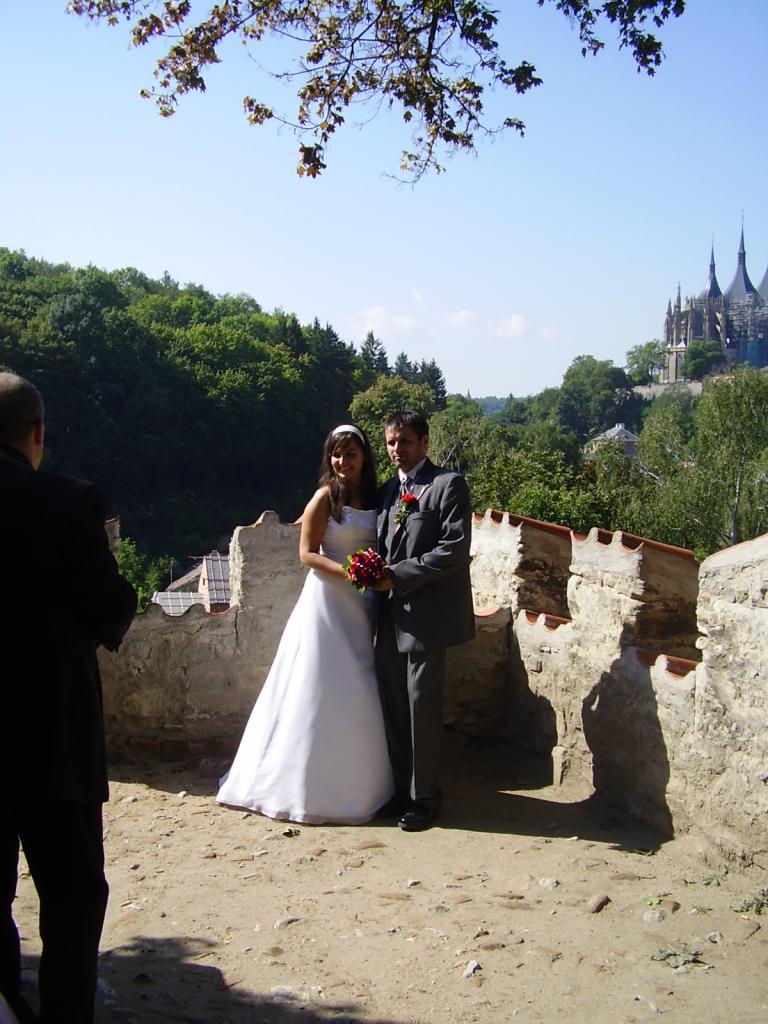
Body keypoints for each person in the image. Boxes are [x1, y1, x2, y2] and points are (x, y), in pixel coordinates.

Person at [0, 372, 137, 1024]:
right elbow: (109, 610)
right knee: (73, 897)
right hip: (51, 733)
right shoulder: (69, 501)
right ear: (38, 433)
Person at [217, 424, 394, 824]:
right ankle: (303, 786)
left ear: (364, 457)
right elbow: (307, 554)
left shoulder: (377, 497)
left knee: (359, 685)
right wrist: (352, 573)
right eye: (336, 454)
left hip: (363, 605)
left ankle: (361, 785)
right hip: (328, 601)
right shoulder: (325, 497)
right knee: (319, 682)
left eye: (350, 454)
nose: (343, 461)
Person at [375, 410, 475, 832]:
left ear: (425, 442)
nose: (397, 449)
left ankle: (425, 799)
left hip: (428, 619)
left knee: (422, 709)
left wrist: (396, 575)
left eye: (405, 441)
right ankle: (401, 791)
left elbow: (454, 549)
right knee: (395, 707)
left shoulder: (447, 485)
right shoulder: (388, 490)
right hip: (387, 618)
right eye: (391, 442)